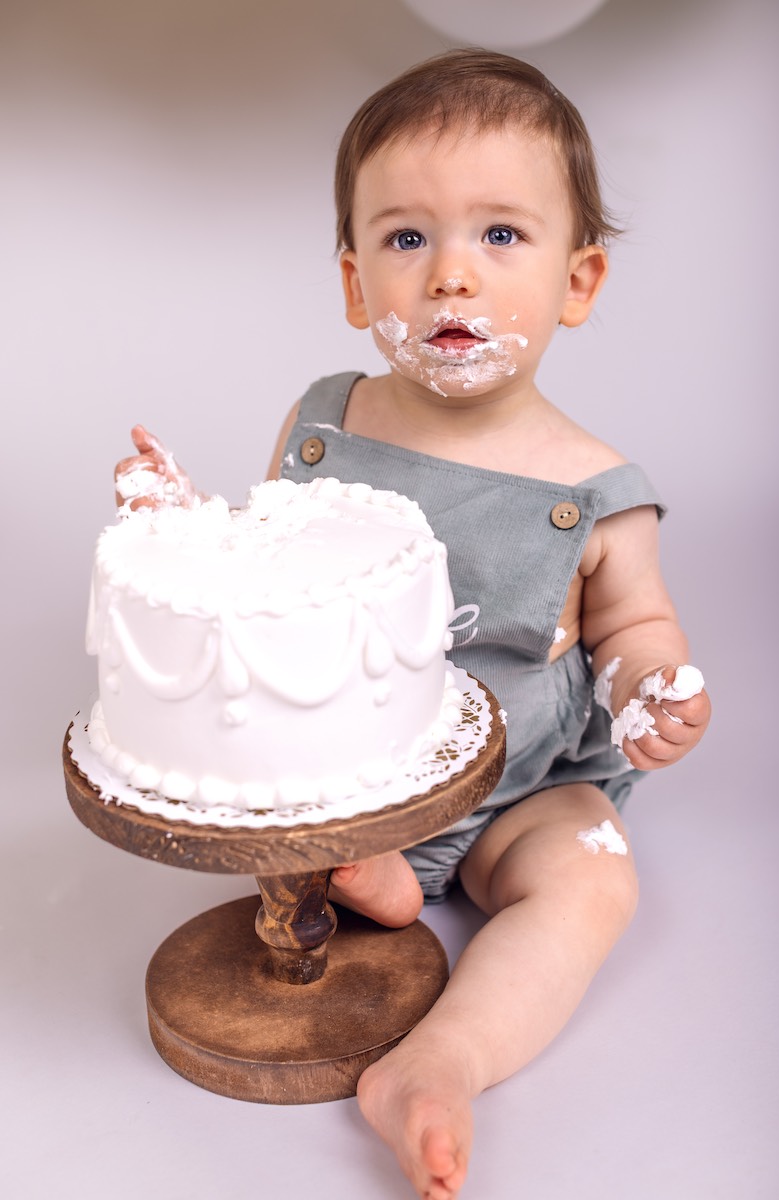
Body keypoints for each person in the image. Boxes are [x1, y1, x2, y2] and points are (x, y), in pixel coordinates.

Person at [116, 49, 711, 1200]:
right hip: (350, 769)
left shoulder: (594, 486)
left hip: (519, 788)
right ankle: (354, 867)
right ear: (351, 283)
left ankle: (441, 1062)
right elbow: (267, 567)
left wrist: (651, 683)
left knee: (588, 879)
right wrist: (183, 524)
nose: (450, 276)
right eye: (405, 240)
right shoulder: (324, 420)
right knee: (266, 773)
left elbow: (637, 621)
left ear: (576, 281)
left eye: (500, 236)